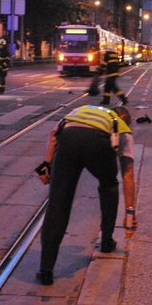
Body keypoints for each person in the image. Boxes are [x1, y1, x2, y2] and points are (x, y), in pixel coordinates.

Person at [35, 105, 136, 286]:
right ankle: (106, 241)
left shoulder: (80, 110)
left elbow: (53, 135)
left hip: (68, 140)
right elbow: (128, 174)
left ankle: (45, 270)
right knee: (109, 185)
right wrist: (130, 212)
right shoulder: (121, 126)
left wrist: (46, 167)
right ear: (124, 118)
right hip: (98, 143)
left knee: (58, 202)